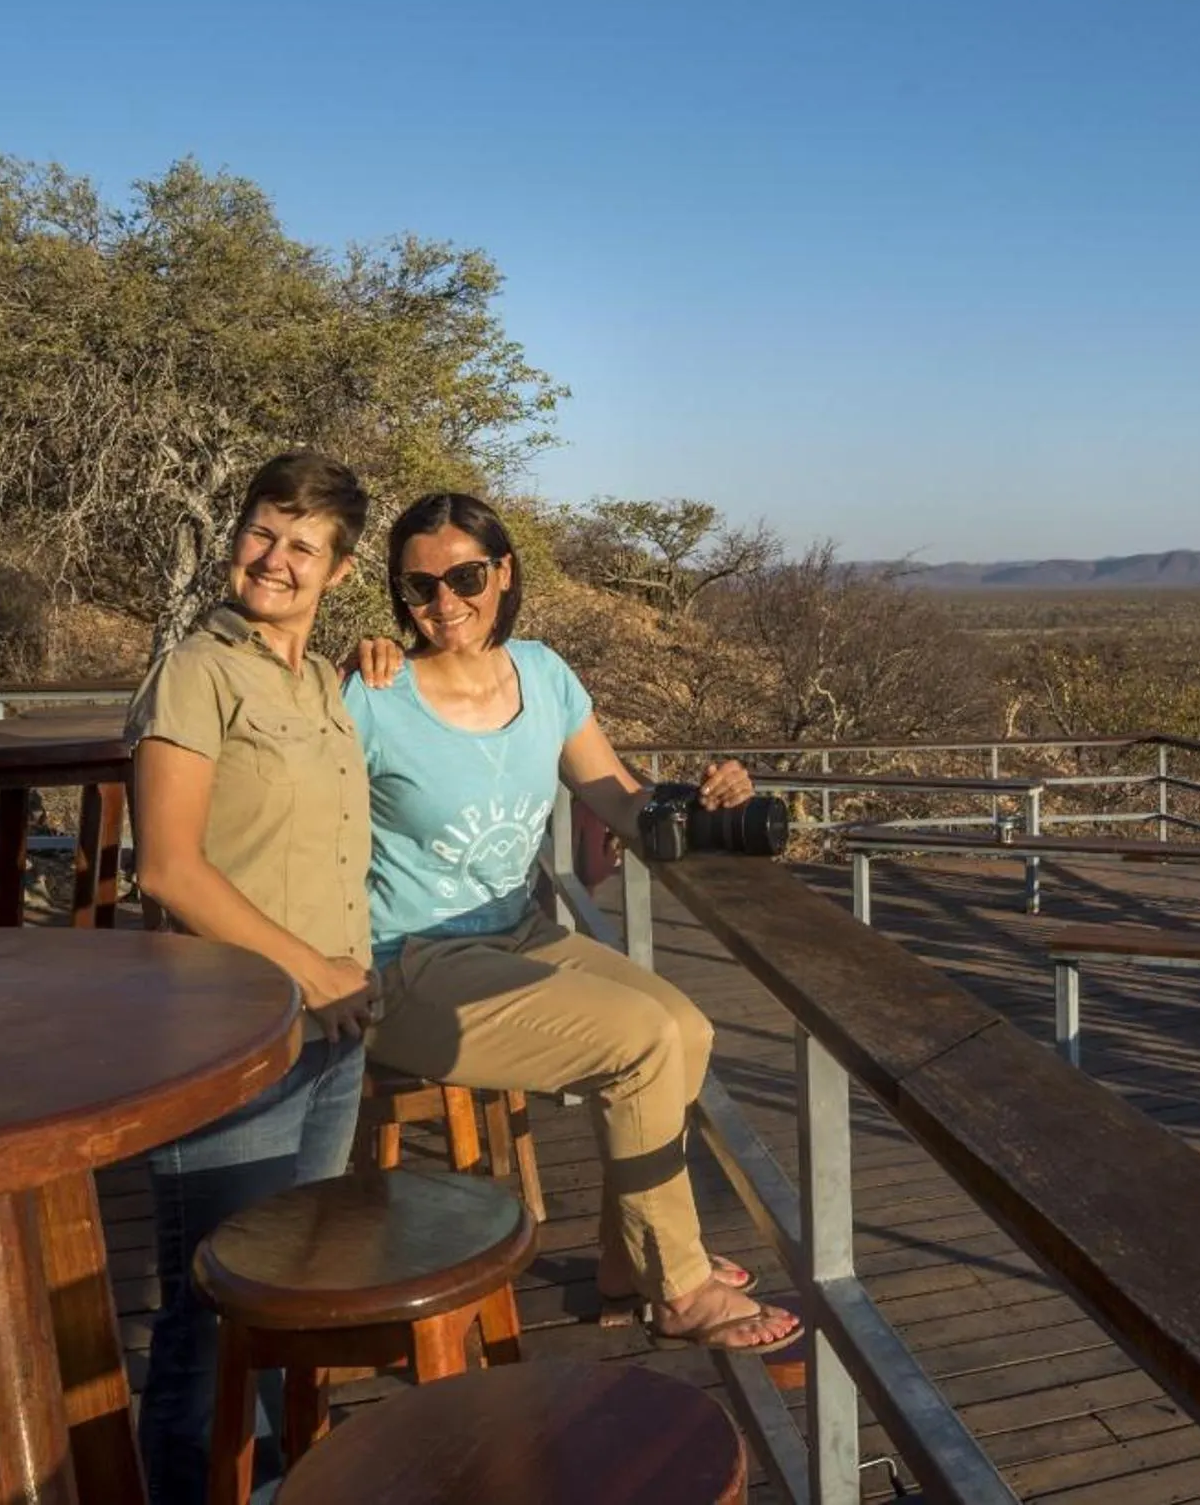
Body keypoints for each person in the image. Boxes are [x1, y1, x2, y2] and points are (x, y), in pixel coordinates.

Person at [344, 490, 801, 1353]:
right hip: (407, 963)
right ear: (397, 597)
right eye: (419, 588)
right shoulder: (370, 693)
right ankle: (678, 1283)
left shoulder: (546, 675)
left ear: (504, 570)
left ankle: (625, 1258)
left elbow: (619, 801)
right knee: (639, 1038)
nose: (445, 603)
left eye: (465, 576)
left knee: (686, 1027)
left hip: (516, 931)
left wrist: (705, 803)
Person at [126, 451, 377, 1505]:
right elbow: (169, 864)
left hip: (330, 1030)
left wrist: (344, 980)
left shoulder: (323, 681)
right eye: (263, 532)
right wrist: (316, 970)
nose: (274, 559)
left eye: (302, 545)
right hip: (228, 1027)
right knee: (209, 1300)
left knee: (290, 1287)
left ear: (340, 569)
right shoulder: (196, 669)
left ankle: (277, 1484)